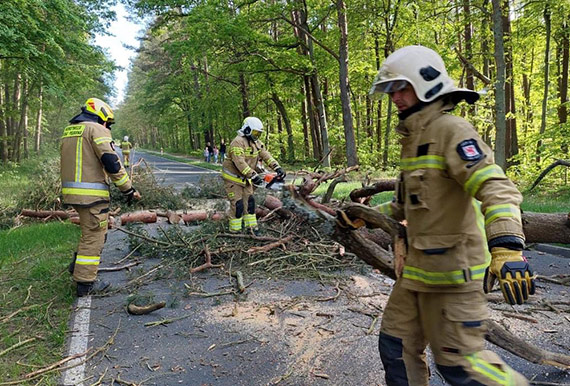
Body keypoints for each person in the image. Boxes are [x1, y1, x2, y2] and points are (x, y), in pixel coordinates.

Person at [360, 46, 535, 385]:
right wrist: (362, 216)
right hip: (416, 275)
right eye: (390, 90)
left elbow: (495, 186)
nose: (394, 96)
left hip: (454, 278)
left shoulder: (451, 130)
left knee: (462, 366)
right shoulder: (414, 138)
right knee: (395, 347)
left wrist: (507, 247)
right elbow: (405, 206)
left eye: (401, 87)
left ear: (426, 82)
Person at [61, 97, 141, 297]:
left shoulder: (70, 130)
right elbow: (111, 161)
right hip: (92, 194)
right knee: (94, 235)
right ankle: (85, 284)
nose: (108, 127)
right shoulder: (97, 130)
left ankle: (76, 267)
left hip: (73, 192)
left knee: (89, 231)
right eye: (108, 123)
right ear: (102, 118)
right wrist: (128, 189)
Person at [222, 116, 285, 234]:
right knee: (238, 205)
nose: (257, 135)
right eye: (255, 132)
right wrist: (253, 175)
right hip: (233, 179)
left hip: (246, 178)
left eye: (259, 133)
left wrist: (277, 167)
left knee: (250, 203)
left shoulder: (256, 143)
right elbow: (240, 162)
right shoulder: (237, 142)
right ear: (247, 130)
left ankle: (251, 229)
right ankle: (235, 231)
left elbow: (266, 155)